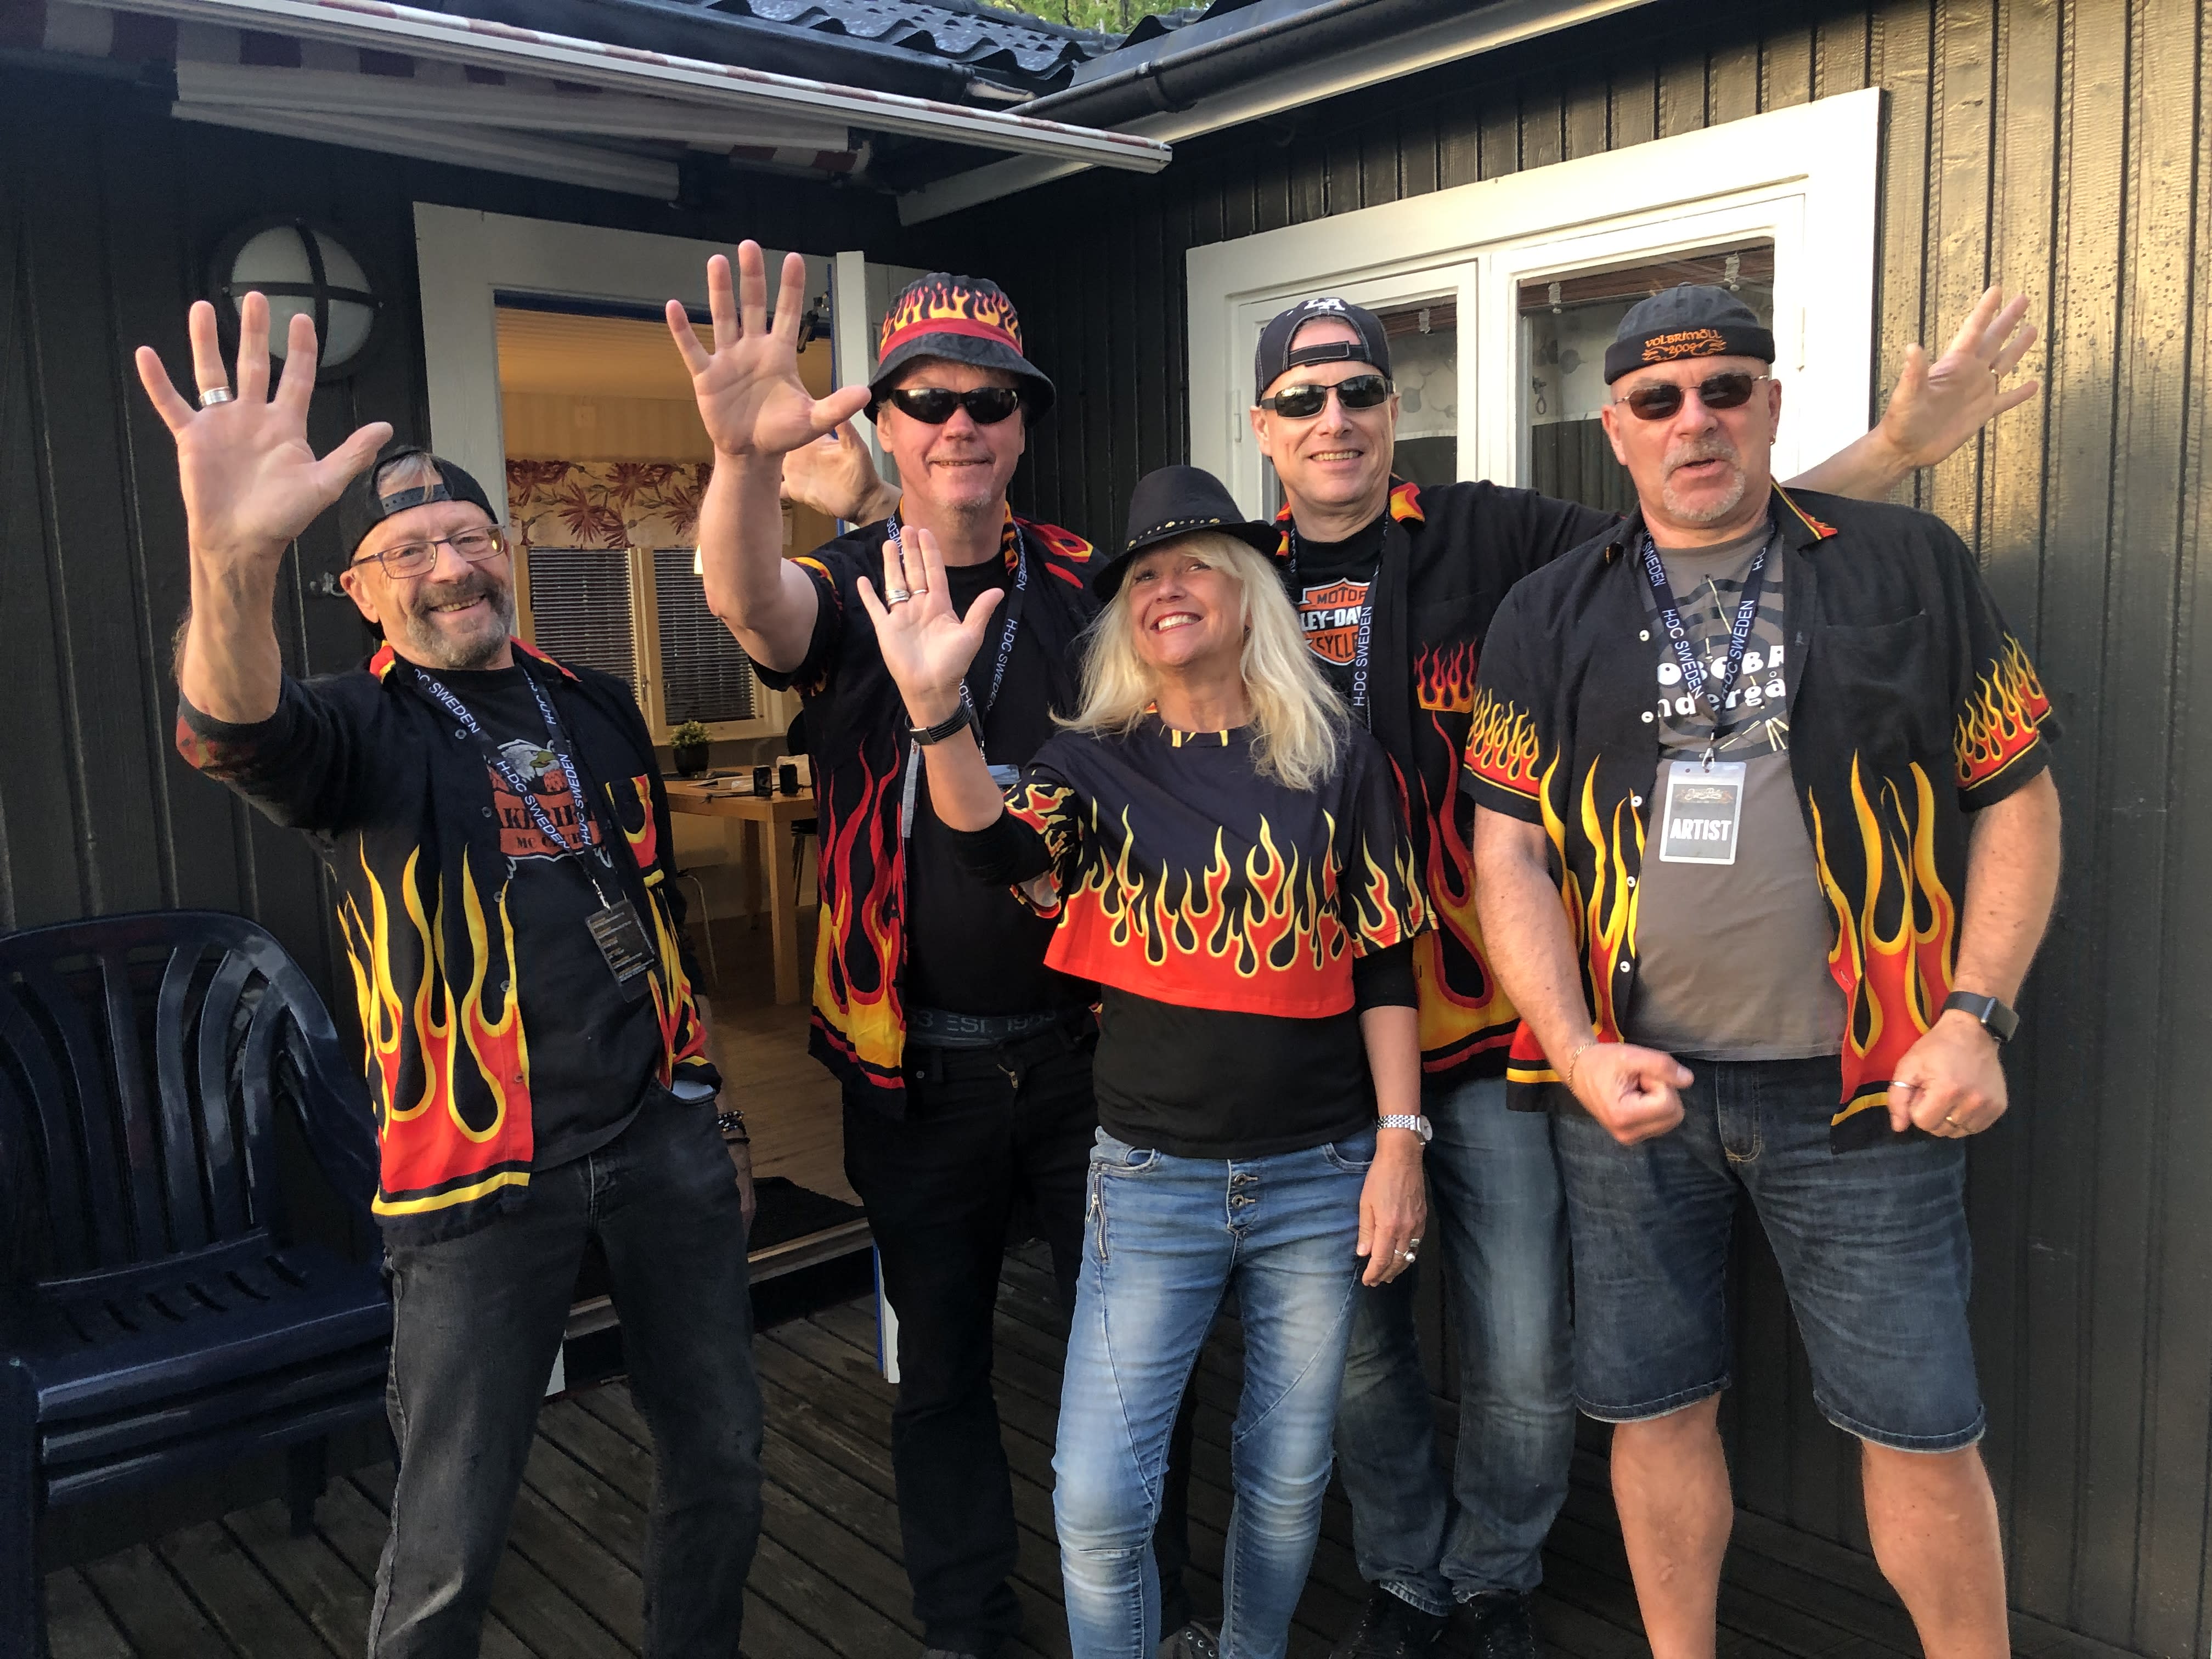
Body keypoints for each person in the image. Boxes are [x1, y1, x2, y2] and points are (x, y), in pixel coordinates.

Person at [793, 281, 2039, 1659]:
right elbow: (1012, 810)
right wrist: (888, 558)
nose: (1335, 418)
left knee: (1521, 1345)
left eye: (1361, 392)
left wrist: (1893, 450)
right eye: (1303, 398)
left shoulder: (1493, 535)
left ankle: (1491, 1579)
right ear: (1264, 427)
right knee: (1359, 1363)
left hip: (1500, 1023)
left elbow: (1700, 511)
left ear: (1395, 411)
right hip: (1316, 1050)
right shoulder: (1220, 576)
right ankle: (1400, 1577)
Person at [142, 295, 763, 1659]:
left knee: (721, 1459)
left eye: (472, 536)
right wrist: (231, 559)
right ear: (361, 590)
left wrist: (710, 1099)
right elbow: (226, 730)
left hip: (659, 1138)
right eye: (408, 550)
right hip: (475, 1177)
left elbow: (655, 913)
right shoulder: (351, 729)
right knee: (448, 1539)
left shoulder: (593, 701)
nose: (450, 566)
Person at [1465, 283, 2061, 1659]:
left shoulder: (1905, 563)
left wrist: (1975, 1018)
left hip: (1872, 1090)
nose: (1697, 422)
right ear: (1614, 429)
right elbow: (1508, 854)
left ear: (1773, 405)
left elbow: (2017, 795)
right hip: (1633, 1094)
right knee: (1655, 1409)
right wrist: (1572, 1050)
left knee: (1921, 1429)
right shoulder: (1548, 611)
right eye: (1659, 400)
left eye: (1726, 389)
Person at [672, 245, 1198, 1659]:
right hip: (914, 1071)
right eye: (927, 401)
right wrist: (742, 460)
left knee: (1140, 1367)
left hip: (1099, 1053)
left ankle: (1149, 1618)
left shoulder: (1092, 584)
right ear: (887, 426)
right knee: (944, 1372)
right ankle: (968, 1628)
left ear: (1023, 426)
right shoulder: (844, 582)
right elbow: (749, 605)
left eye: (989, 401)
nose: (960, 423)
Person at [865, 463, 1430, 1659]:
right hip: (1151, 1179)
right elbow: (998, 852)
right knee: (1096, 1498)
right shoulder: (1095, 764)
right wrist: (936, 711)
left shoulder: (1337, 755)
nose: (1168, 589)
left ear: (1248, 591)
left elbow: (1384, 961)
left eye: (1195, 567)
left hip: (1321, 1173)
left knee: (1286, 1482)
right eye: (1145, 577)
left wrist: (1400, 1146)